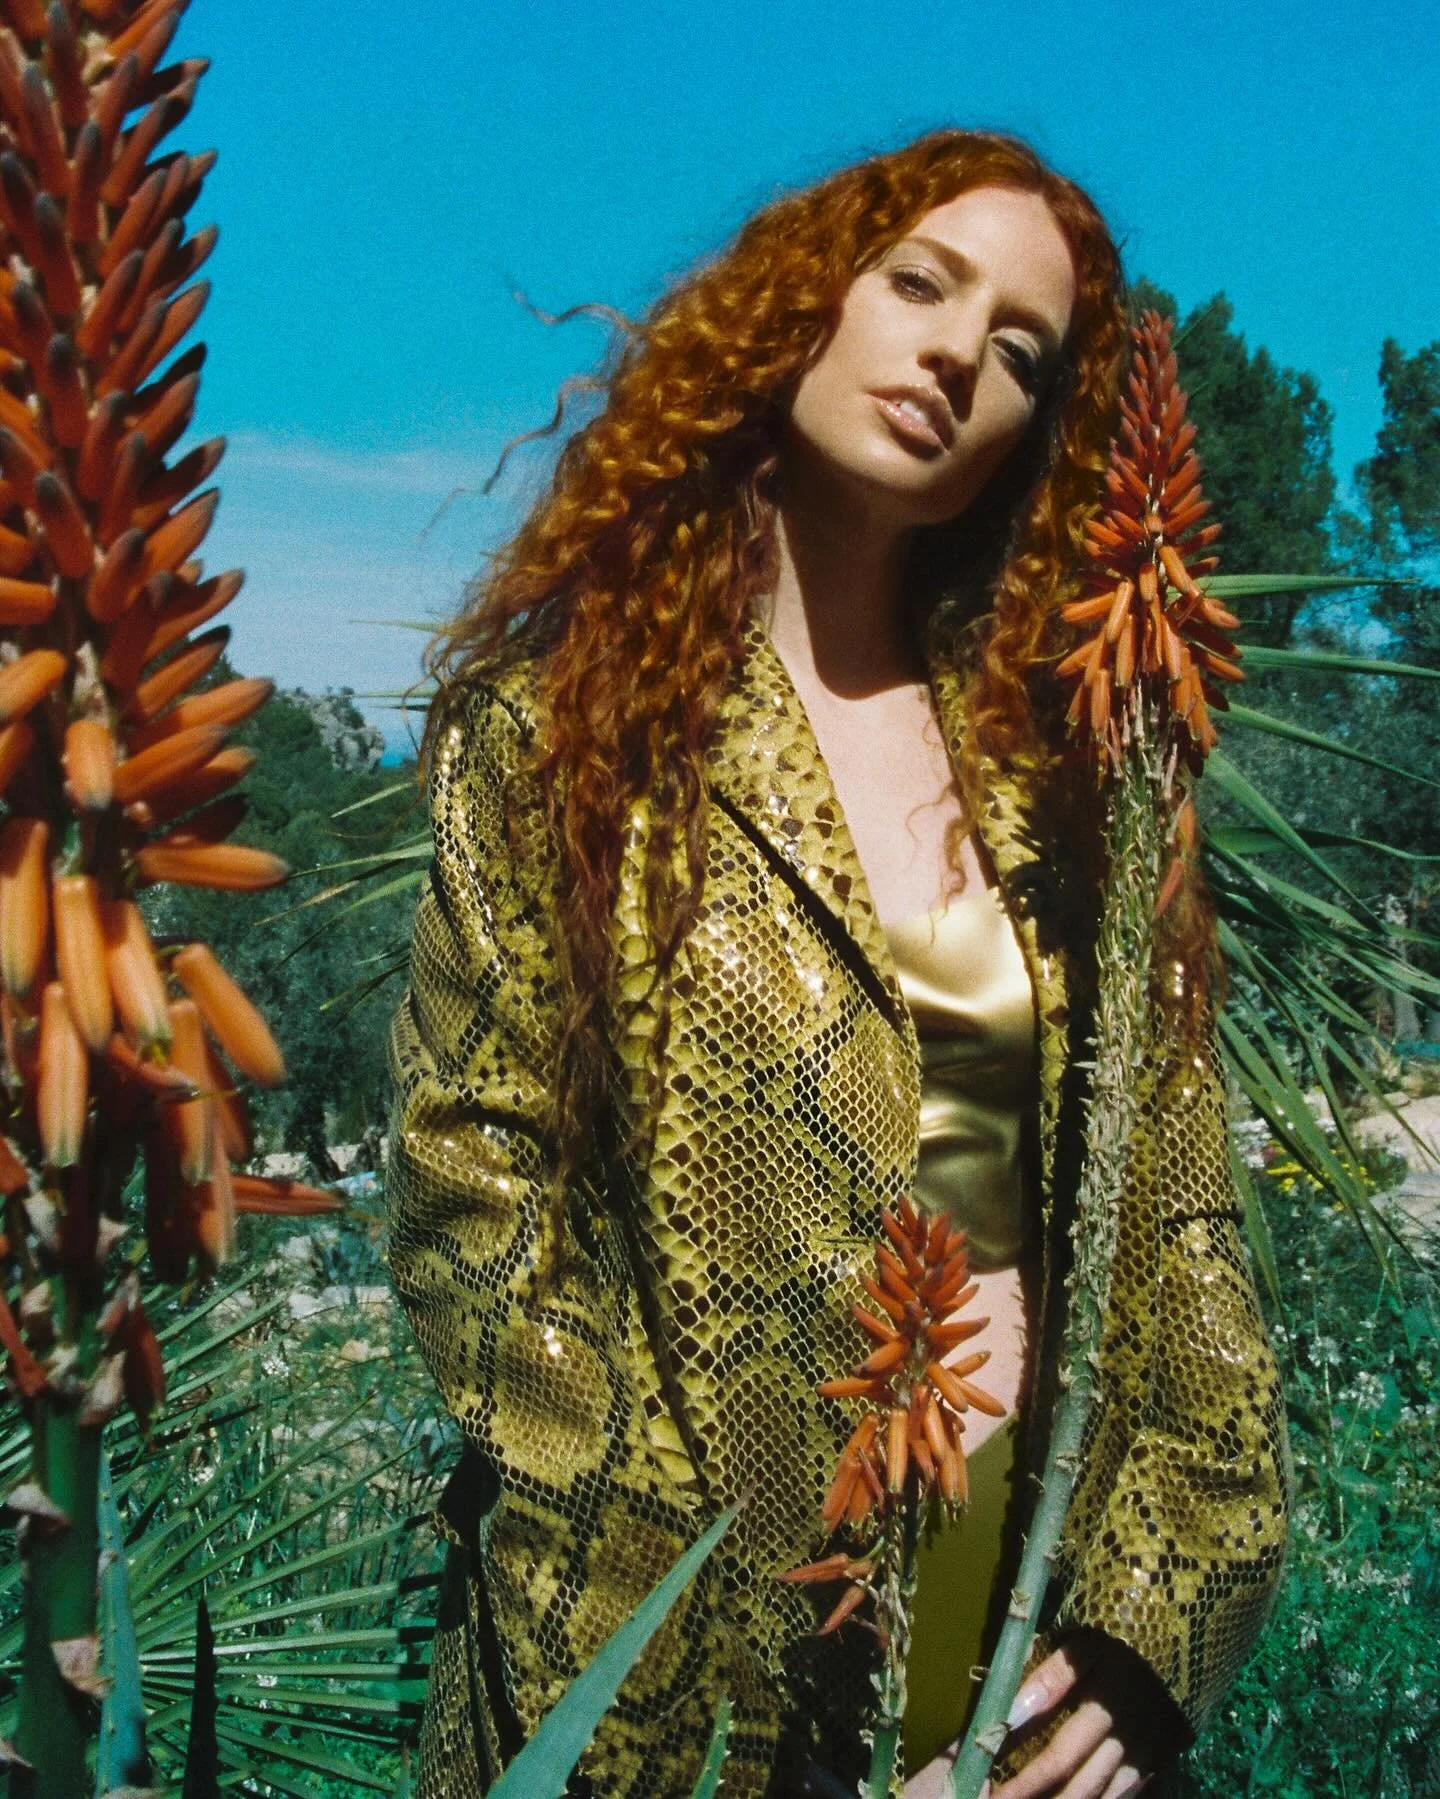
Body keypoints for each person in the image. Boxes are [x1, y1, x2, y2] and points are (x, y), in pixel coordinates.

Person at [384, 129, 1290, 1799]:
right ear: (804, 300)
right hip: (677, 1656)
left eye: (1023, 349)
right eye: (923, 282)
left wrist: (1154, 1620)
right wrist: (655, 1583)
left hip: (1024, 1634)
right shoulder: (560, 735)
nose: (961, 353)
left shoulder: (1059, 778)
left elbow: (1177, 1210)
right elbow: (468, 1192)